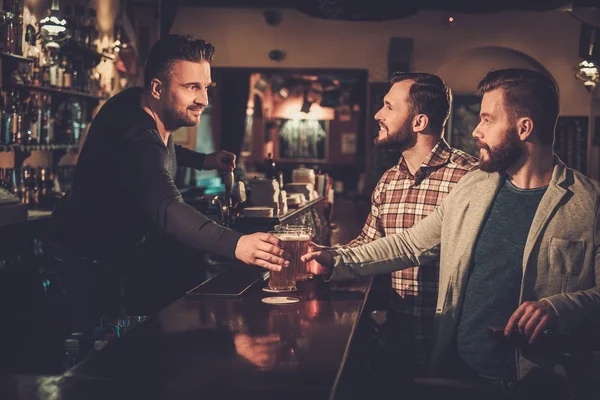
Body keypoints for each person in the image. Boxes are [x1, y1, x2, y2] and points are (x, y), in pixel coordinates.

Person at [304, 68, 599, 399]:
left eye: (487, 119)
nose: (476, 130)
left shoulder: (590, 203)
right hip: (458, 372)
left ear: (524, 127)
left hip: (540, 385)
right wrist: (335, 259)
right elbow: (411, 244)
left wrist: (559, 307)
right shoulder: (474, 186)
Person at [45, 35, 289, 333]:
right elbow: (168, 210)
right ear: (158, 88)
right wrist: (238, 243)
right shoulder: (137, 138)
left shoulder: (138, 104)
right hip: (81, 264)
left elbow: (161, 152)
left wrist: (203, 161)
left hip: (105, 256)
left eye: (205, 87)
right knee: (89, 361)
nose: (203, 99)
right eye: (191, 87)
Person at [341, 72, 477, 375]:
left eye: (389, 107)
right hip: (396, 344)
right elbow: (368, 245)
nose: (378, 114)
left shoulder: (468, 178)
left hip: (451, 350)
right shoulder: (389, 180)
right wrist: (319, 255)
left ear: (419, 122)